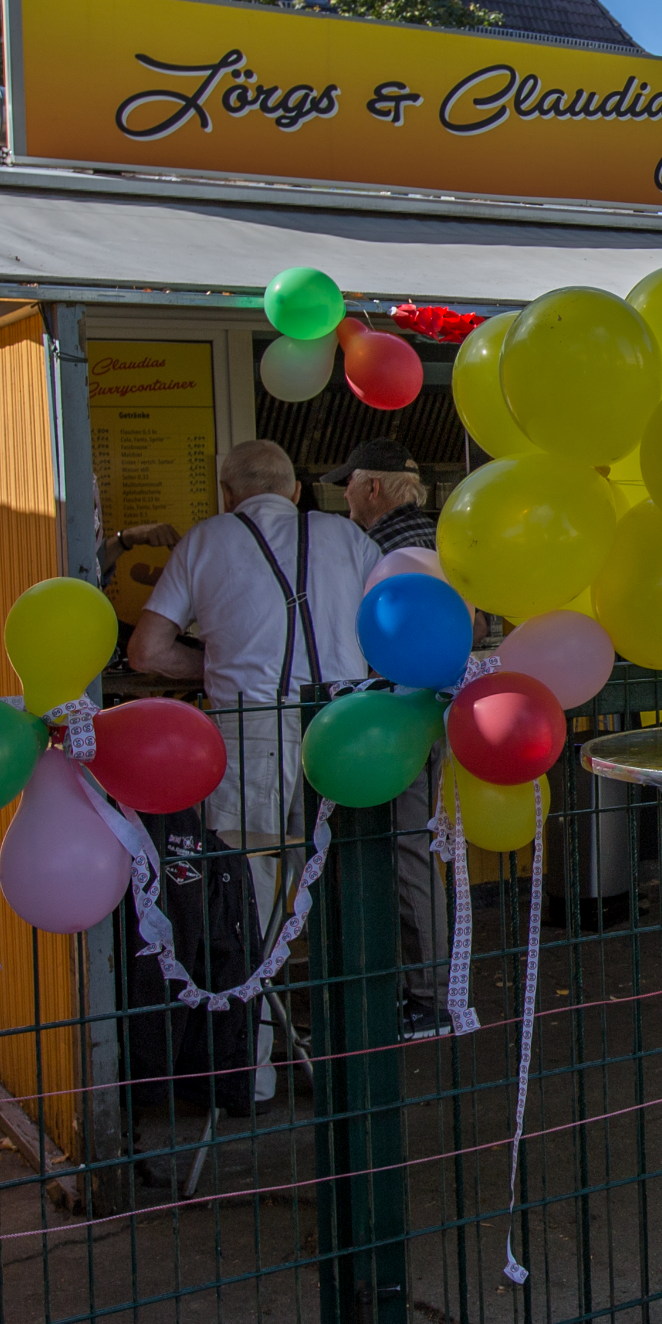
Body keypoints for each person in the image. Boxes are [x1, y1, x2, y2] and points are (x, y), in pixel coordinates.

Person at [125, 442, 398, 1029]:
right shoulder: (347, 538)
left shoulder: (205, 539)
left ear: (227, 495)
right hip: (346, 729)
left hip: (251, 735)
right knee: (346, 886)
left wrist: (219, 663)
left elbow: (146, 650)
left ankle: (256, 1059)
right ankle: (354, 1036)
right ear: (295, 491)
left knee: (252, 903)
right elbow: (391, 630)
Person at [322, 438, 454, 1032]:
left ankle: (429, 995)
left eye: (346, 483)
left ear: (370, 487)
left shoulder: (381, 546)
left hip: (402, 714)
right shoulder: (438, 536)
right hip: (429, 708)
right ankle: (425, 986)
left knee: (408, 849)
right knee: (415, 847)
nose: (342, 494)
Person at [324, 437, 436, 558]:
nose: (345, 495)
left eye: (348, 483)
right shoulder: (440, 534)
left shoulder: (369, 550)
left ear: (373, 487)